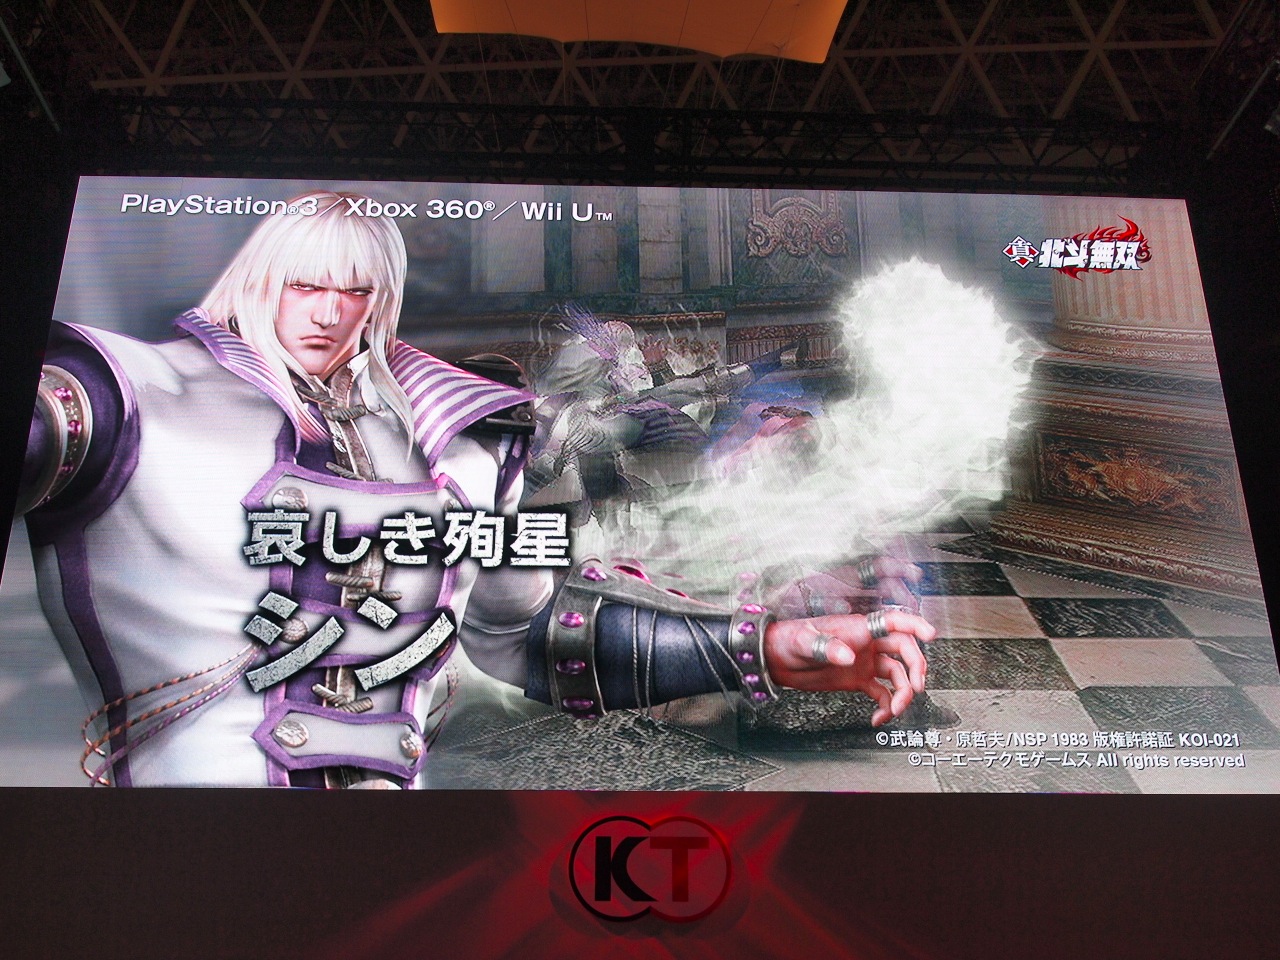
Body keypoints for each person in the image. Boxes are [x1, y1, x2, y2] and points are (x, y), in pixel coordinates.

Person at [18, 190, 936, 788]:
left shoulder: (454, 435)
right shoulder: (124, 395)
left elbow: (527, 638)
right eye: (303, 285)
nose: (330, 313)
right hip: (177, 848)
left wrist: (762, 647)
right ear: (258, 280)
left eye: (356, 292)